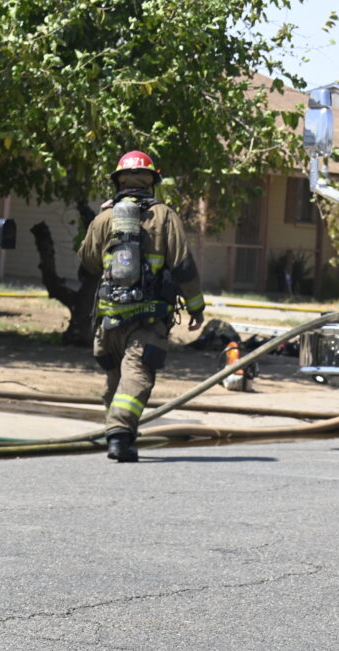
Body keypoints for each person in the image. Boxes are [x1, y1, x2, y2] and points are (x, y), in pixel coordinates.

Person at [78, 151, 205, 462]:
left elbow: (87, 261)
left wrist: (101, 222)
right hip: (149, 318)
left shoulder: (105, 217)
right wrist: (196, 307)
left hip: (109, 317)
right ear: (152, 181)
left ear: (119, 181)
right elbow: (183, 267)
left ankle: (115, 433)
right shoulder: (165, 216)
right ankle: (120, 436)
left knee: (115, 378)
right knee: (137, 374)